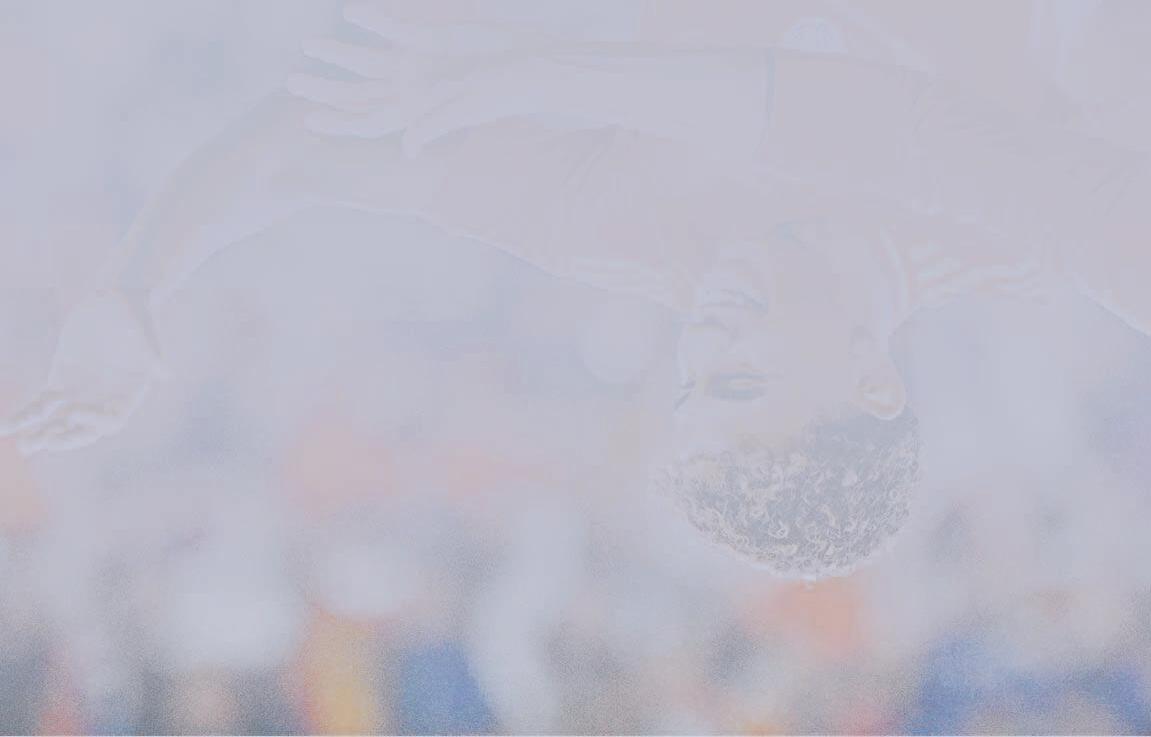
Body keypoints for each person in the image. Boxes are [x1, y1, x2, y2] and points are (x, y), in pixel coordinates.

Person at [4, 1, 1148, 578]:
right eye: (743, 378)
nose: (704, 338)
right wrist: (512, 76)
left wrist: (139, 281)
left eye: (693, 382)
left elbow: (314, 147)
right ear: (870, 381)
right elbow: (823, 112)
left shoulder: (635, 244)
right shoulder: (1005, 232)